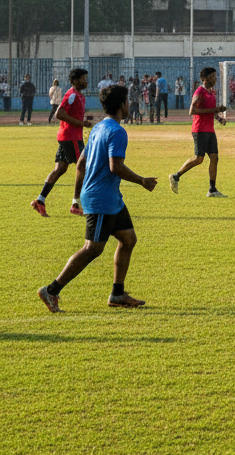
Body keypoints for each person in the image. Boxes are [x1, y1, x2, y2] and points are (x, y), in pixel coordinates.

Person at [36, 83, 158, 313]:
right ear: (122, 105)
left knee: (128, 239)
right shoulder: (117, 131)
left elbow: (81, 164)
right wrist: (142, 180)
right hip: (102, 198)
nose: (129, 105)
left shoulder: (98, 128)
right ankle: (51, 290)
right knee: (92, 248)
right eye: (128, 101)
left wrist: (76, 196)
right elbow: (115, 166)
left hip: (109, 197)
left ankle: (117, 293)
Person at [31, 68, 94, 218]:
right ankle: (76, 204)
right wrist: (80, 123)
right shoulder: (71, 94)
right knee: (83, 167)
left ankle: (40, 200)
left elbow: (71, 114)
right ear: (75, 81)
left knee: (60, 168)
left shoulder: (79, 96)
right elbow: (59, 113)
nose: (86, 81)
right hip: (71, 137)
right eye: (84, 78)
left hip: (68, 136)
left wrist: (84, 120)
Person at [168, 67, 227, 198]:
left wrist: (219, 118)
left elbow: (210, 110)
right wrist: (215, 109)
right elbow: (192, 111)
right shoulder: (199, 92)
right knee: (199, 159)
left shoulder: (211, 93)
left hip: (210, 130)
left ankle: (212, 189)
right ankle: (176, 176)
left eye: (215, 77)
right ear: (203, 79)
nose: (214, 79)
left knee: (214, 157)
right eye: (211, 77)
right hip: (200, 130)